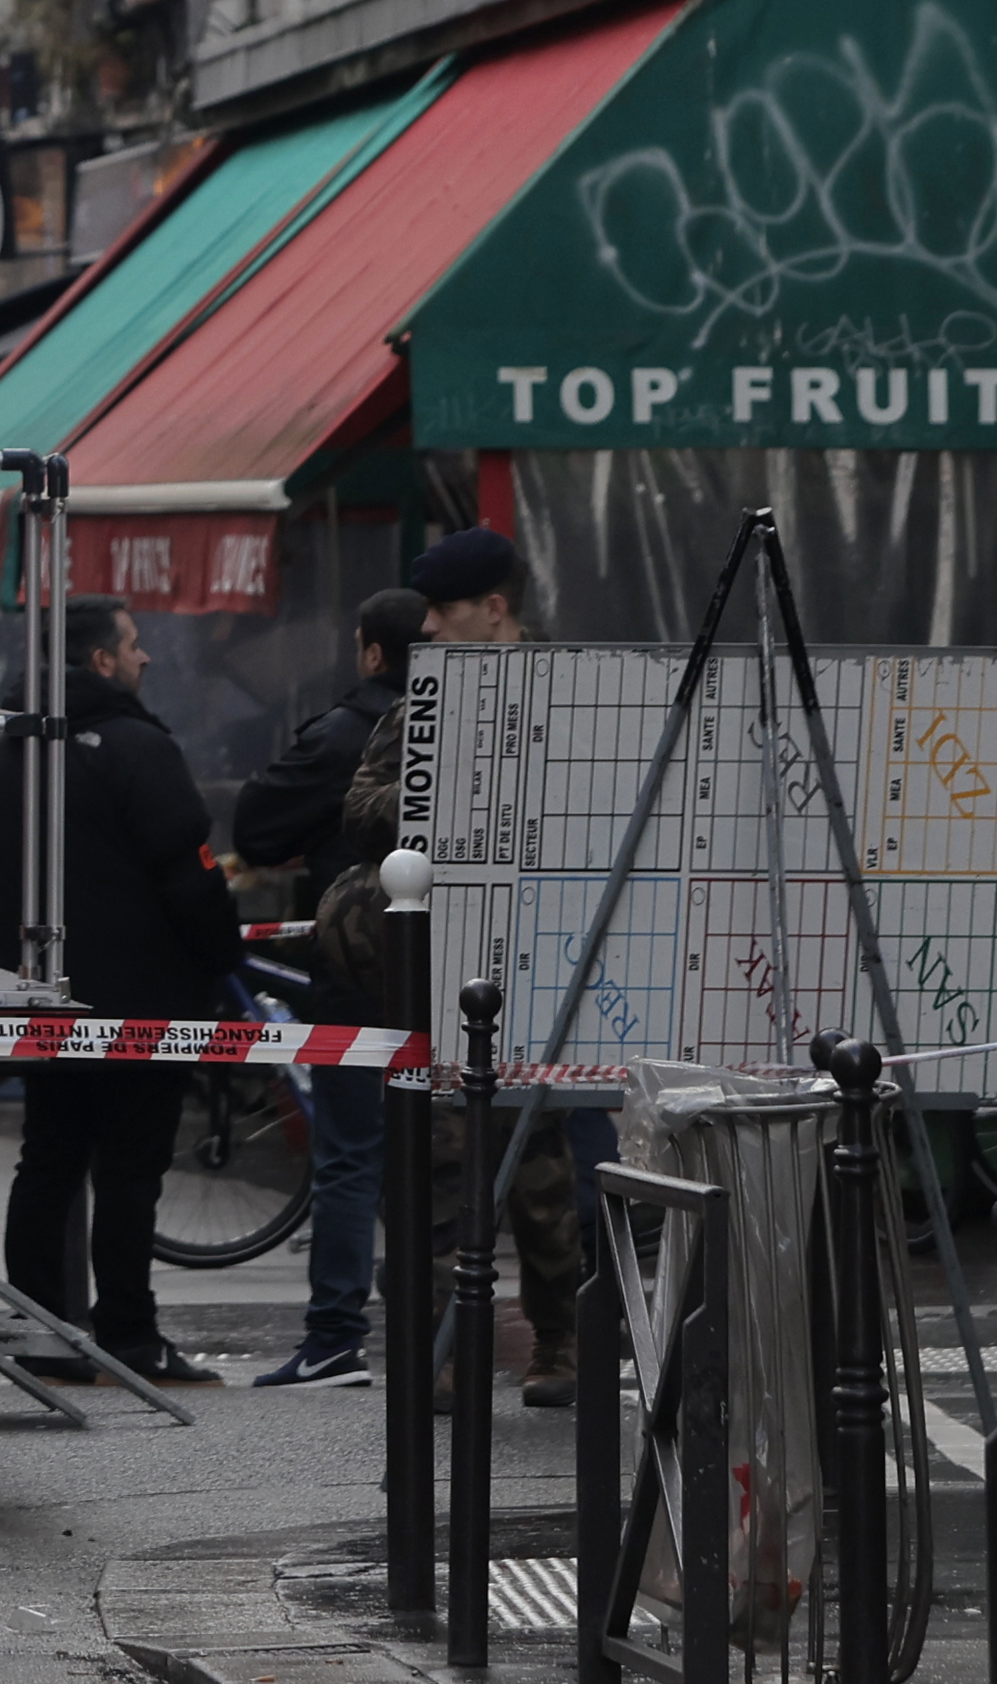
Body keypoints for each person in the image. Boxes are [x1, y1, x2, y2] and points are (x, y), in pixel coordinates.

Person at [0, 596, 243, 1385]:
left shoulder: (6, 753)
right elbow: (188, 872)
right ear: (100, 661)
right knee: (129, 1173)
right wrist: (219, 958)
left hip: (44, 998)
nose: (147, 658)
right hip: (143, 1005)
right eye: (134, 645)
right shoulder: (136, 749)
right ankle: (128, 1336)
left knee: (47, 1161)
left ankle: (41, 1331)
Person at [359, 524, 586, 1401]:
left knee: (538, 1167)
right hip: (443, 958)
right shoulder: (420, 702)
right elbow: (364, 807)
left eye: (445, 614)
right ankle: (446, 1346)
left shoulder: (573, 694)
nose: (431, 633)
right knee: (439, 1167)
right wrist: (450, 800)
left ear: (494, 610)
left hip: (543, 956)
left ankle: (559, 1344)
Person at [230, 586, 432, 1387]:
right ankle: (450, 1336)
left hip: (362, 973)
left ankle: (336, 1337)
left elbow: (257, 827)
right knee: (450, 1158)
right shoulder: (486, 732)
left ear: (373, 653)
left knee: (351, 1155)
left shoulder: (346, 735)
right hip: (469, 981)